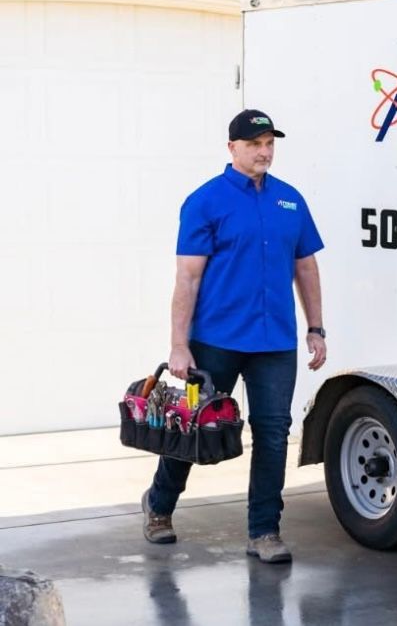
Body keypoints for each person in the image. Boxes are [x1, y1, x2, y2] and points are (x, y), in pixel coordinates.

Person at [141, 108, 327, 564]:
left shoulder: (290, 201)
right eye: (254, 145)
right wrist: (179, 345)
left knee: (273, 433)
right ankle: (159, 505)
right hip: (216, 341)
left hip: (275, 342)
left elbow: (306, 266)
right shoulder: (205, 202)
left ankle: (264, 531)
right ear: (232, 148)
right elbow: (187, 278)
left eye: (269, 144)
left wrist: (316, 327)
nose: (264, 152)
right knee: (190, 429)